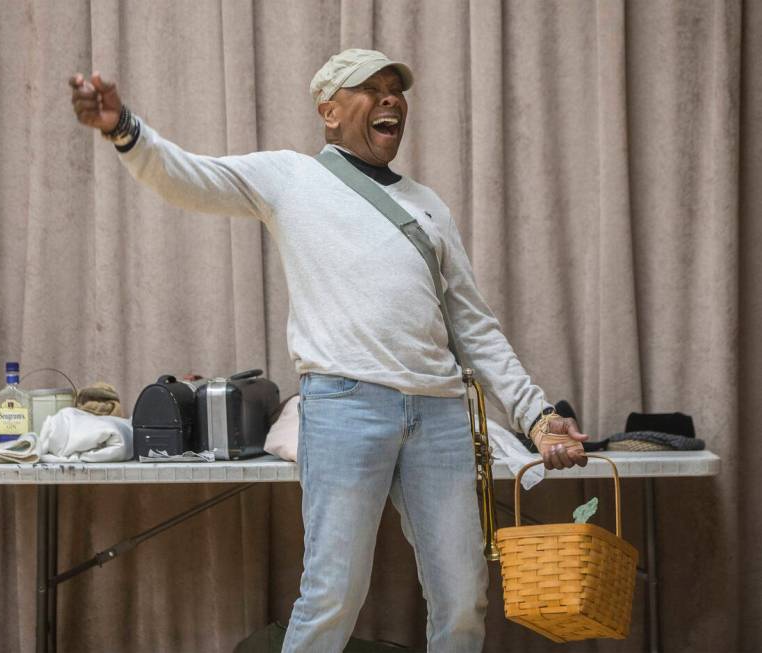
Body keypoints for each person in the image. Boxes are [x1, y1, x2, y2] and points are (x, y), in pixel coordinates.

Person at [70, 48, 588, 652]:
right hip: (346, 408)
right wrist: (123, 127)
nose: (392, 98)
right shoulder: (292, 178)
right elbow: (188, 176)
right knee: (332, 595)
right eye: (372, 88)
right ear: (330, 112)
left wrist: (537, 415)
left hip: (442, 417)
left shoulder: (430, 206)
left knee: (463, 598)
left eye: (397, 89)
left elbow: (475, 327)